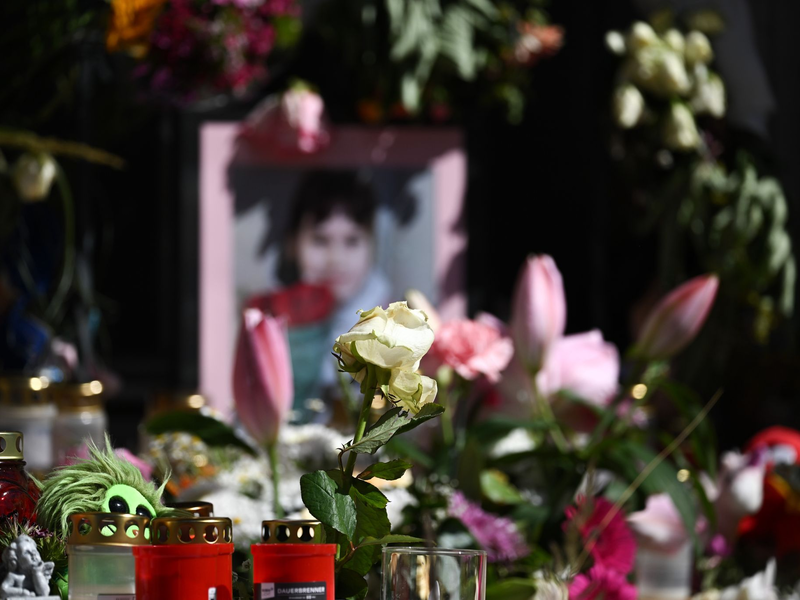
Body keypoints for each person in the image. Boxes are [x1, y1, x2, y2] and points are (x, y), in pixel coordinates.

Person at [250, 170, 390, 420]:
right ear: (292, 244)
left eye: (352, 241)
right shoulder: (272, 320)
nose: (335, 259)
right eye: (320, 240)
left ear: (373, 246)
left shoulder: (391, 324)